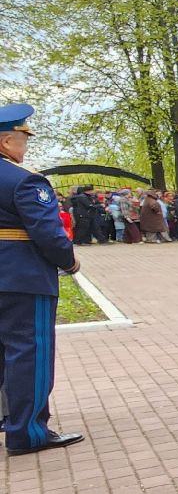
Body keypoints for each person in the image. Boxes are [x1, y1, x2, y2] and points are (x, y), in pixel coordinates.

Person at [0, 104, 85, 457]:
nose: (26, 146)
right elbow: (48, 233)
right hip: (21, 276)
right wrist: (69, 261)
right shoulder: (24, 180)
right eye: (23, 139)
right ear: (6, 142)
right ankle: (28, 432)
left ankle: (7, 418)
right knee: (28, 352)